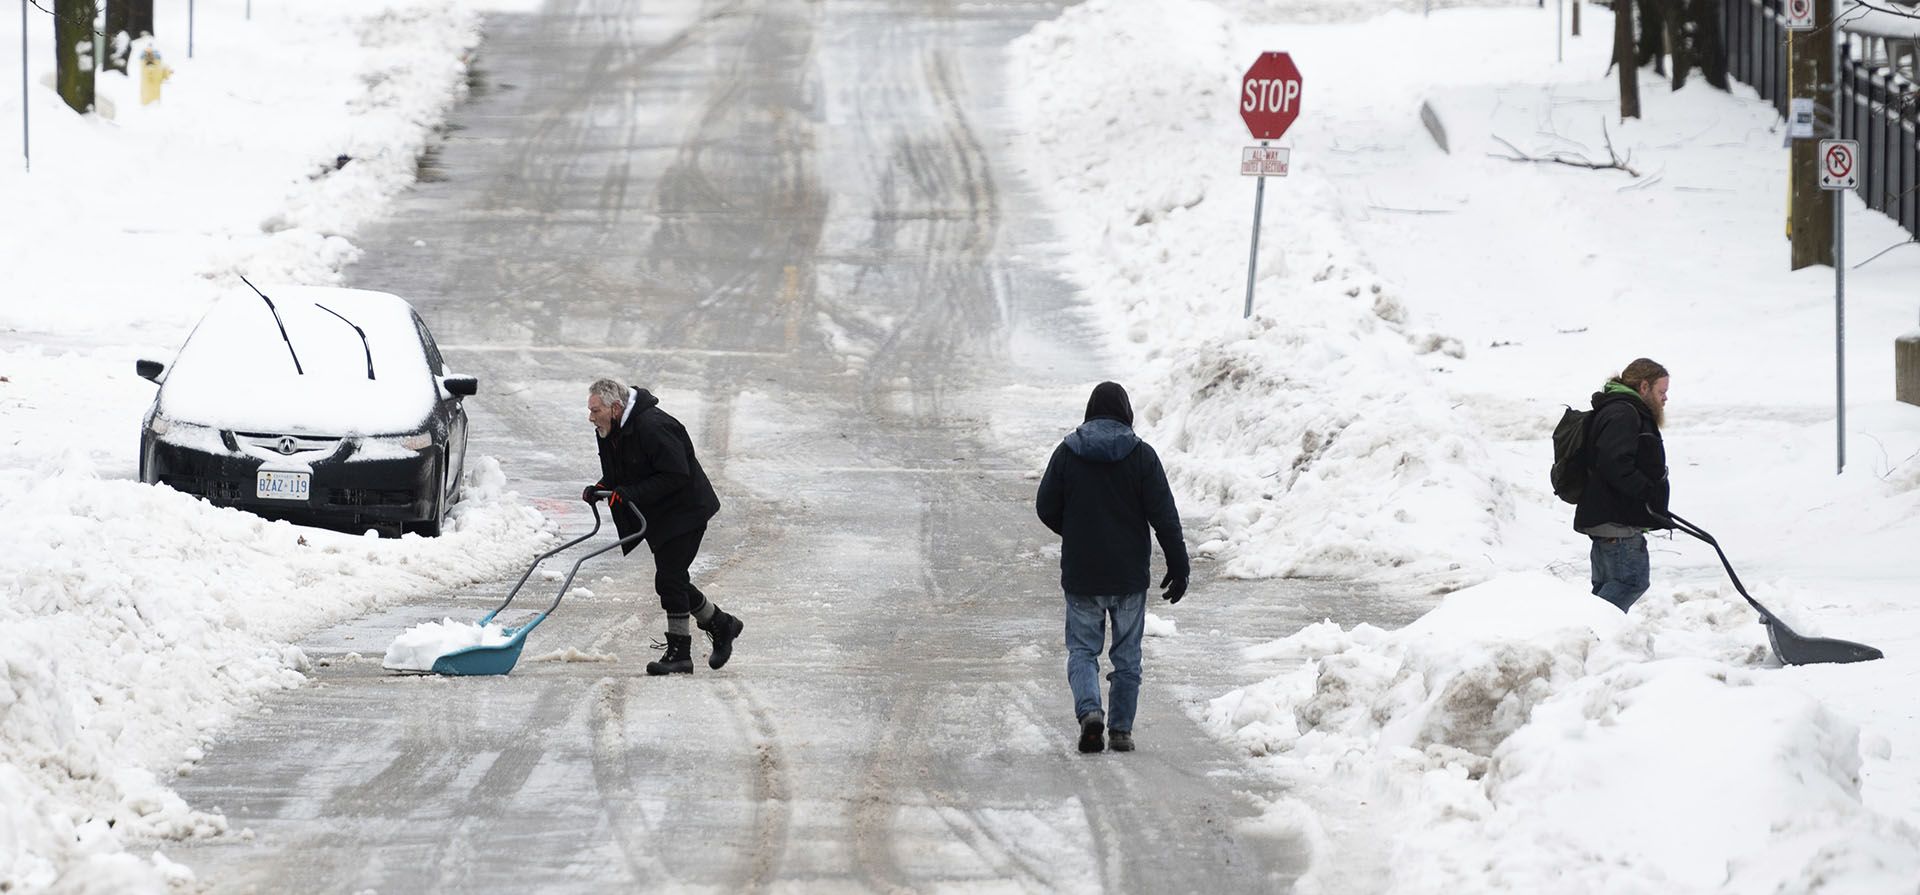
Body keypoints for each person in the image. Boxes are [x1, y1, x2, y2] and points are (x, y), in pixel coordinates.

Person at [1035, 382, 1190, 754]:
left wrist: (1073, 530)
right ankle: (1121, 730)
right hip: (1128, 577)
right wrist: (1178, 564)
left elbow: (1045, 506)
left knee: (1083, 651)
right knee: (1127, 656)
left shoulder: (1068, 453)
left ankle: (1090, 713)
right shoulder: (1141, 457)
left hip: (1082, 574)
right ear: (1126, 413)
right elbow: (1164, 517)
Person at [585, 378, 742, 675]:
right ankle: (721, 624)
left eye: (596, 411)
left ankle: (681, 653)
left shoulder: (653, 426)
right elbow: (622, 471)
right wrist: (601, 488)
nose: (591, 417)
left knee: (670, 579)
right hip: (661, 514)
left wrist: (633, 493)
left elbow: (677, 474)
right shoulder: (610, 430)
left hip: (687, 511)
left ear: (616, 408)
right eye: (590, 411)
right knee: (672, 581)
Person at [1573, 358, 1672, 612]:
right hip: (1616, 522)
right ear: (1643, 386)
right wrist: (1648, 494)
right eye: (1661, 392)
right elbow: (1614, 462)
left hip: (1610, 519)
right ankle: (1591, 632)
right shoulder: (1623, 413)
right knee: (1631, 581)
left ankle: (1591, 639)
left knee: (1608, 586)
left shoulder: (1619, 409)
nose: (1665, 399)